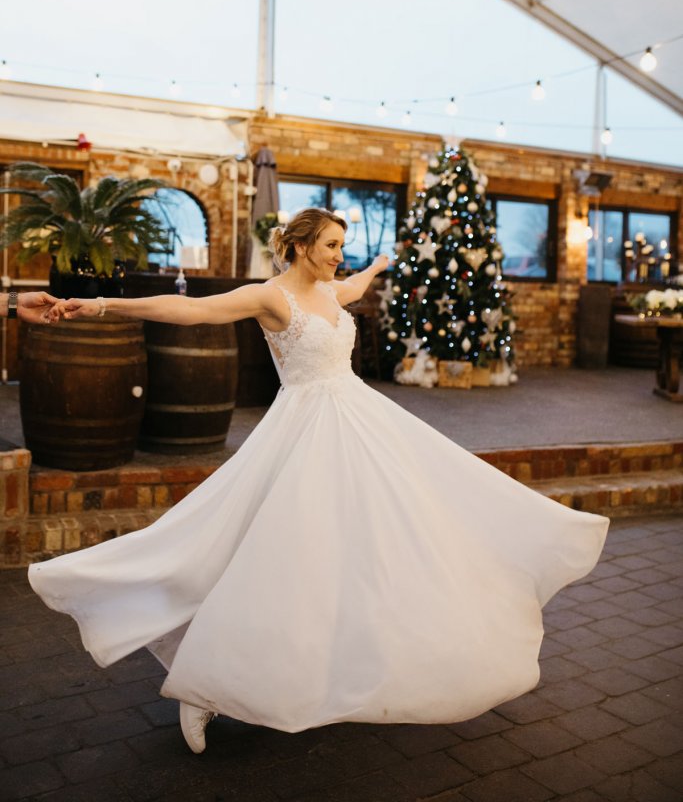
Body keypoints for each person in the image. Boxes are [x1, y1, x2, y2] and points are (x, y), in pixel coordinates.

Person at [29, 208, 609, 754]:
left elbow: (357, 286)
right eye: (331, 246)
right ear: (301, 246)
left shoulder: (333, 290)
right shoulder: (270, 297)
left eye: (342, 247)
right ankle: (204, 688)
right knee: (258, 552)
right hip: (303, 432)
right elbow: (191, 310)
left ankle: (351, 661)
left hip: (362, 424)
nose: (339, 256)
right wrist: (98, 306)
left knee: (378, 542)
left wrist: (384, 264)